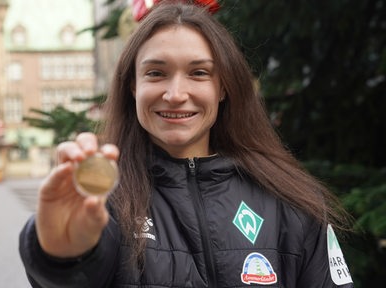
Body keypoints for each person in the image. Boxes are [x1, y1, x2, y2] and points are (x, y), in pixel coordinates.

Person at [19, 1, 354, 287]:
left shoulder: (291, 201)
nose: (176, 94)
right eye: (155, 73)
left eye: (198, 73)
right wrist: (63, 255)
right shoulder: (103, 202)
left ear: (223, 87)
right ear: (132, 86)